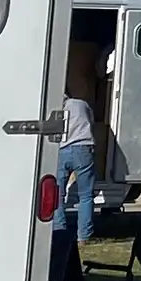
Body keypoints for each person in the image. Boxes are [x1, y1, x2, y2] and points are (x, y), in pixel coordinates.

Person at [55, 86, 98, 247]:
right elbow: (91, 122)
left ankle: (58, 229)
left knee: (57, 194)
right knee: (86, 195)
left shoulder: (55, 108)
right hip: (83, 148)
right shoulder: (81, 104)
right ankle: (83, 236)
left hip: (62, 149)